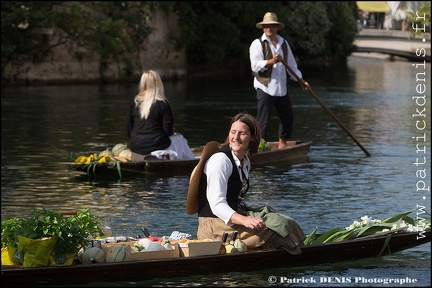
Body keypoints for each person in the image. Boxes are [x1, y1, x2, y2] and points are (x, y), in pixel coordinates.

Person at [186, 113, 306, 254]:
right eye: (233, 132)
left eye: (242, 133)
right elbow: (217, 204)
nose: (236, 138)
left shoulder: (245, 161)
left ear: (253, 137)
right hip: (213, 226)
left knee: (285, 221)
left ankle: (279, 248)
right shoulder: (220, 161)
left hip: (230, 218)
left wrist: (248, 218)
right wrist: (245, 220)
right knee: (277, 229)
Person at [249, 12, 310, 149]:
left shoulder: (283, 43)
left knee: (288, 117)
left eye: (271, 26)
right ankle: (257, 146)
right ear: (263, 28)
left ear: (277, 27)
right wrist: (272, 61)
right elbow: (255, 66)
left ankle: (283, 143)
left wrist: (301, 81)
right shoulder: (257, 44)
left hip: (281, 88)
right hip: (265, 87)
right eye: (266, 26)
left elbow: (292, 66)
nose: (268, 28)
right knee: (263, 121)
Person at [126, 70, 195, 160]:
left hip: (136, 146)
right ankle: (191, 162)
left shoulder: (134, 103)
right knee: (179, 139)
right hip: (156, 144)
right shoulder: (162, 103)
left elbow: (129, 128)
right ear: (158, 84)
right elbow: (167, 130)